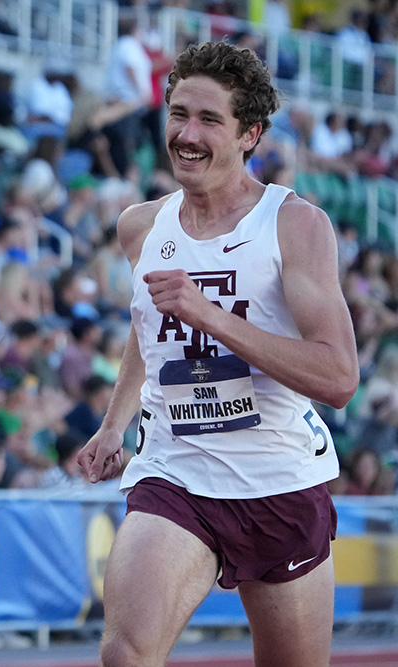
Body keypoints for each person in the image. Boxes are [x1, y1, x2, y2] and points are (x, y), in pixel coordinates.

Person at [77, 42, 359, 667]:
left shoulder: (294, 225)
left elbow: (339, 377)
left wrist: (207, 313)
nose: (187, 133)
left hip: (279, 482)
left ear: (250, 134)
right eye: (178, 114)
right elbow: (146, 327)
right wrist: (113, 424)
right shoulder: (141, 227)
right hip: (176, 471)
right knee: (125, 654)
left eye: (209, 120)